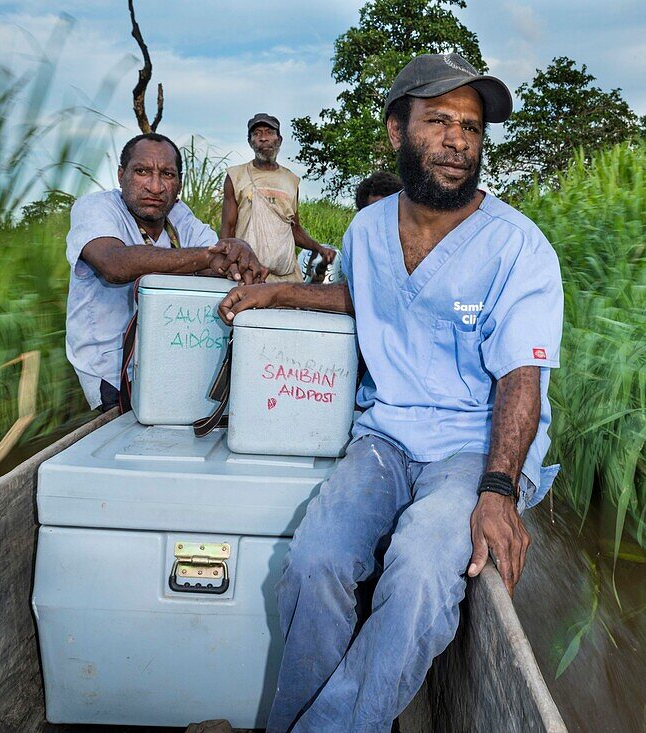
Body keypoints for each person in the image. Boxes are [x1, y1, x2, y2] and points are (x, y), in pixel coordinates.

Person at [218, 53, 563, 732]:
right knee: (312, 562)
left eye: (470, 126)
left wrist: (498, 488)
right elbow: (357, 298)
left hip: (471, 448)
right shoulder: (367, 230)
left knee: (419, 573)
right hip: (383, 438)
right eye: (438, 121)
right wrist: (278, 290)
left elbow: (523, 375)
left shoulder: (518, 248)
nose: (458, 139)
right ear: (395, 131)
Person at [65, 132, 267, 412]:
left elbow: (217, 256)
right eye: (142, 172)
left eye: (167, 174)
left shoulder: (178, 215)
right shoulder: (97, 208)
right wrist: (209, 258)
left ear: (179, 184)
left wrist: (237, 256)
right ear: (121, 175)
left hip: (167, 363)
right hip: (111, 371)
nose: (156, 186)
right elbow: (114, 264)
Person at [221, 113, 336, 282]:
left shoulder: (291, 181)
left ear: (279, 140)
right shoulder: (236, 176)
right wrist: (230, 265)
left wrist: (319, 248)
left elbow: (295, 230)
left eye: (269, 132)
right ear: (250, 142)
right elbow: (227, 229)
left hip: (287, 277)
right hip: (249, 275)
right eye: (257, 134)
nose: (263, 138)